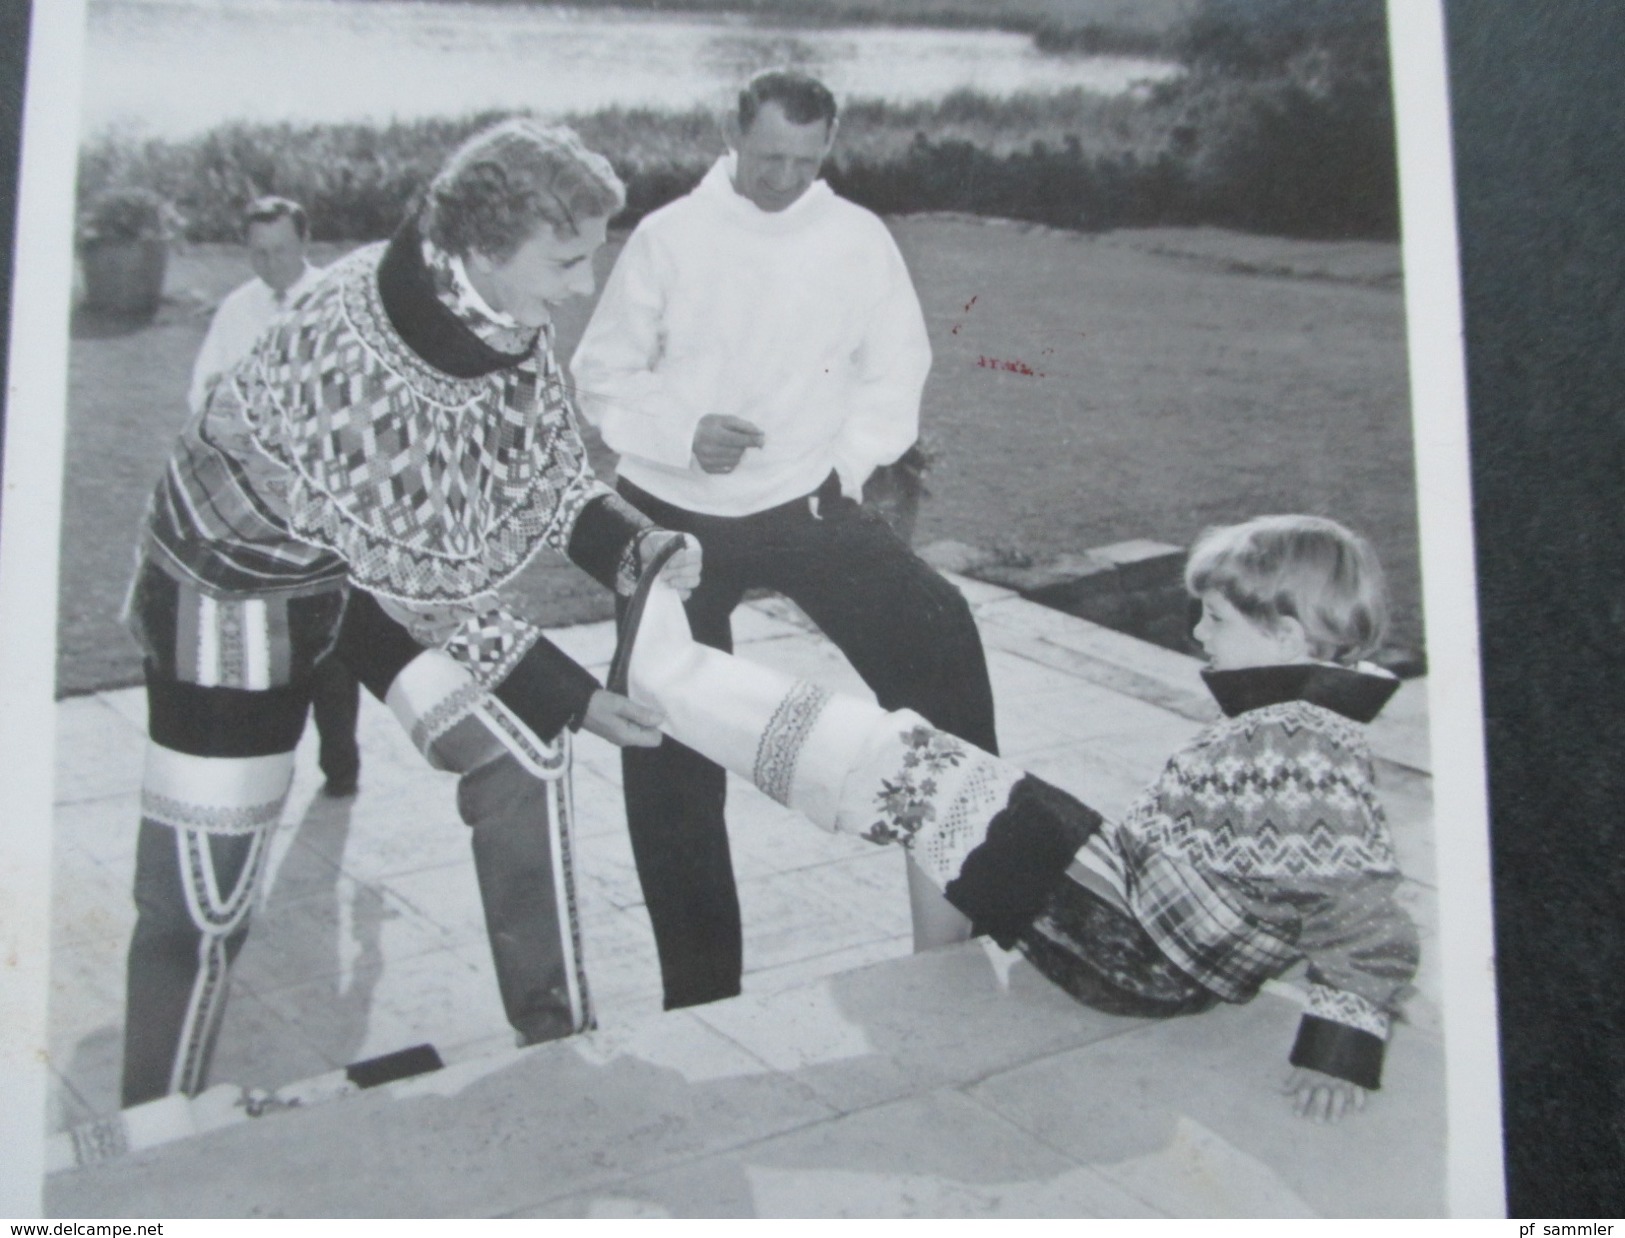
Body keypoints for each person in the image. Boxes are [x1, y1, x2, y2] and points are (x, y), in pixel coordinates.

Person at [119, 119, 699, 1107]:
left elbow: (551, 473)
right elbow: (441, 599)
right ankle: (146, 1121)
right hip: (230, 589)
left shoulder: (500, 308)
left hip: (357, 569)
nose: (581, 284)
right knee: (203, 898)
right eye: (566, 259)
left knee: (519, 745)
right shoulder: (357, 347)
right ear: (482, 249)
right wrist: (574, 692)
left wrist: (637, 547)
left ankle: (554, 1039)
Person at [616, 515, 1419, 1122]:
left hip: (1137, 954)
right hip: (1138, 912)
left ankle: (678, 685)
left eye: (1215, 621)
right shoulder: (1296, 725)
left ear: (1284, 634)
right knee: (932, 768)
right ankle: (683, 686)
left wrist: (1340, 1051)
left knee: (916, 772)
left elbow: (1364, 914)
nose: (1197, 634)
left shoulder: (1306, 757)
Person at [571, 68, 998, 1010]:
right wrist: (682, 427)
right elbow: (599, 377)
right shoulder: (668, 237)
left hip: (802, 503)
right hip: (669, 515)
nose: (782, 179)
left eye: (805, 162)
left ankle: (963, 920)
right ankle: (699, 992)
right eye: (767, 157)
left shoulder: (855, 238)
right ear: (732, 133)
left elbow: (897, 371)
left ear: (827, 151)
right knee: (667, 740)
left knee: (941, 636)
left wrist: (843, 470)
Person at [187, 195, 362, 797]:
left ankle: (342, 762)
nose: (270, 263)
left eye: (281, 250)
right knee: (266, 642)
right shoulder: (237, 309)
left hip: (323, 500)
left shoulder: (339, 300)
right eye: (258, 252)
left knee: (331, 641)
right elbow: (203, 393)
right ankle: (266, 764)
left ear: (304, 243)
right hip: (257, 504)